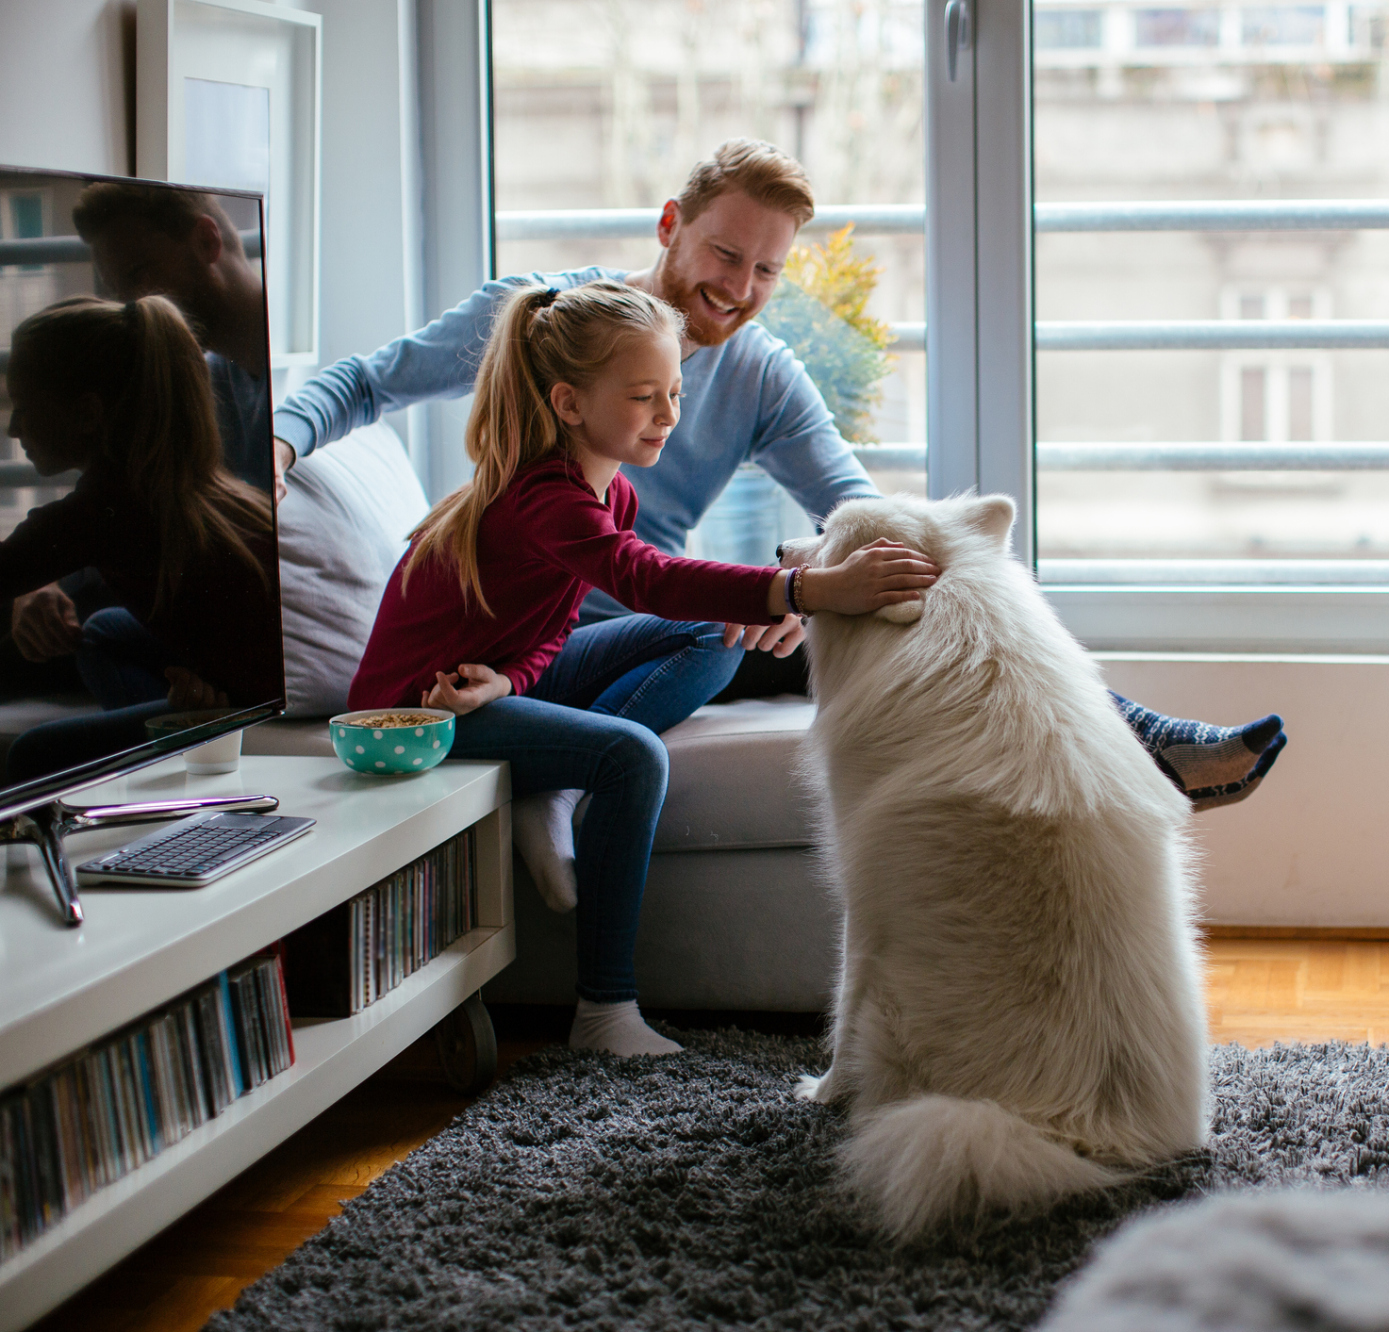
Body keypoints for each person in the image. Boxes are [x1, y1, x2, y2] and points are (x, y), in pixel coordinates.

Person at [272, 139, 1285, 851]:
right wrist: (280, 439)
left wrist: (805, 583)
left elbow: (850, 507)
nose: (738, 287)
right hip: (551, 632)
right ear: (669, 227)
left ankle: (1137, 742)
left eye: (765, 270)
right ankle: (571, 787)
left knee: (905, 598)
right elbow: (368, 379)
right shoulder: (549, 323)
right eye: (722, 253)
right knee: (748, 624)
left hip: (675, 621)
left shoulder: (760, 372)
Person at [347, 279, 936, 1055]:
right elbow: (645, 577)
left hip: (480, 686)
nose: (669, 415)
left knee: (714, 631)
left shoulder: (611, 491)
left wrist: (515, 683)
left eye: (675, 392)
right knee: (630, 756)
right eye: (643, 396)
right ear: (568, 404)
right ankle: (603, 1012)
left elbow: (550, 633)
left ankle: (553, 777)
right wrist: (810, 589)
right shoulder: (543, 499)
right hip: (416, 713)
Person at [0, 295, 281, 779]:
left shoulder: (101, 510)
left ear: (88, 414)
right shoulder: (183, 485)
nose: (11, 428)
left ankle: (176, 744)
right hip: (255, 675)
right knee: (103, 629)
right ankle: (173, 720)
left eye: (24, 409)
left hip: (252, 707)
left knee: (33, 753)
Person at [10, 183, 278, 681]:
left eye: (138, 275)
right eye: (118, 291)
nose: (132, 307)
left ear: (206, 242)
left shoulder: (292, 405)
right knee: (101, 631)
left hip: (272, 661)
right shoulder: (196, 393)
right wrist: (41, 581)